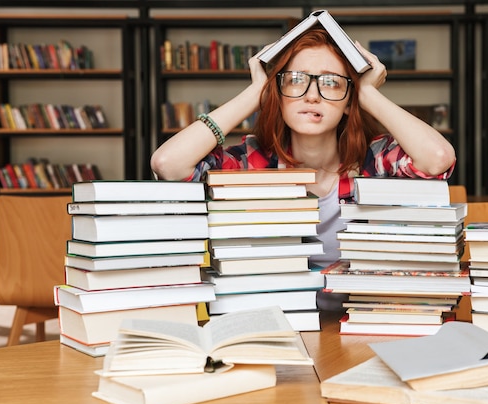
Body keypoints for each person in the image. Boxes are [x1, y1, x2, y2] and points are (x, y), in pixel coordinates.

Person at [150, 27, 456, 309]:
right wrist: (256, 92)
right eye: (295, 80)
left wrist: (370, 96)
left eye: (332, 83)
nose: (312, 95)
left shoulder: (374, 159)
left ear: (351, 100)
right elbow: (169, 165)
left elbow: (438, 159)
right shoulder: (251, 161)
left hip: (362, 323)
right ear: (278, 95)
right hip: (275, 323)